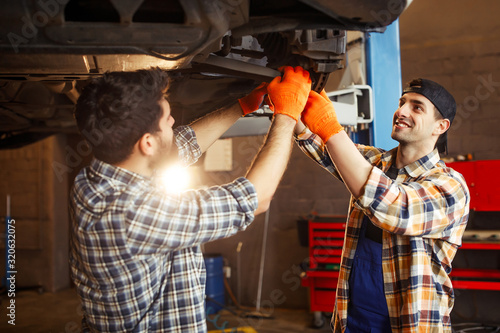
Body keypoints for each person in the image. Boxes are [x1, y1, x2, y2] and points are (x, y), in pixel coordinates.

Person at [69, 66, 312, 332]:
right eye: (167, 119)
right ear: (147, 144)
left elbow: (182, 145)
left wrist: (243, 105)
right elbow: (255, 198)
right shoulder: (132, 213)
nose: (173, 122)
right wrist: (287, 114)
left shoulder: (97, 177)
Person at [294, 78, 470, 332]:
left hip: (409, 321)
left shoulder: (450, 185)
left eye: (417, 107)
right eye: (402, 103)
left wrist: (330, 127)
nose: (401, 111)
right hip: (353, 316)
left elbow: (396, 208)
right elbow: (325, 148)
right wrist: (296, 99)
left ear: (440, 126)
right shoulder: (377, 163)